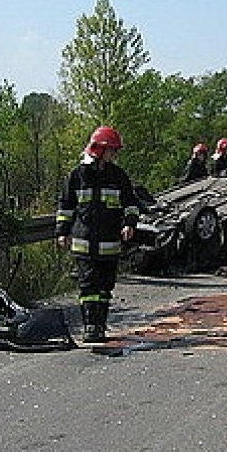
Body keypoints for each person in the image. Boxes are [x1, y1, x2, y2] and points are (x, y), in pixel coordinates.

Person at [55, 126, 140, 343]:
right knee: (88, 286)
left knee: (105, 287)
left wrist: (130, 223)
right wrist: (62, 231)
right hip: (84, 243)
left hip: (110, 243)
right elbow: (66, 206)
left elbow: (130, 203)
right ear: (99, 149)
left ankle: (100, 325)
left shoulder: (118, 176)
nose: (114, 154)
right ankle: (90, 327)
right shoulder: (77, 175)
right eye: (111, 150)